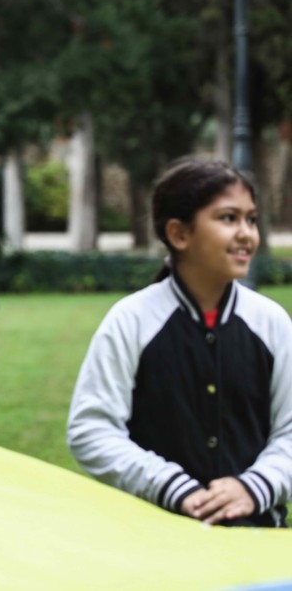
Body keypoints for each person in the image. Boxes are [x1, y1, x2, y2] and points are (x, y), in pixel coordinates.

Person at [67, 158, 292, 527]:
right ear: (179, 234)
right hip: (155, 548)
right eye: (228, 218)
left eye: (251, 219)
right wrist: (175, 488)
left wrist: (253, 488)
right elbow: (92, 429)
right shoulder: (131, 321)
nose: (247, 234)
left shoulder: (272, 323)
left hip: (258, 546)